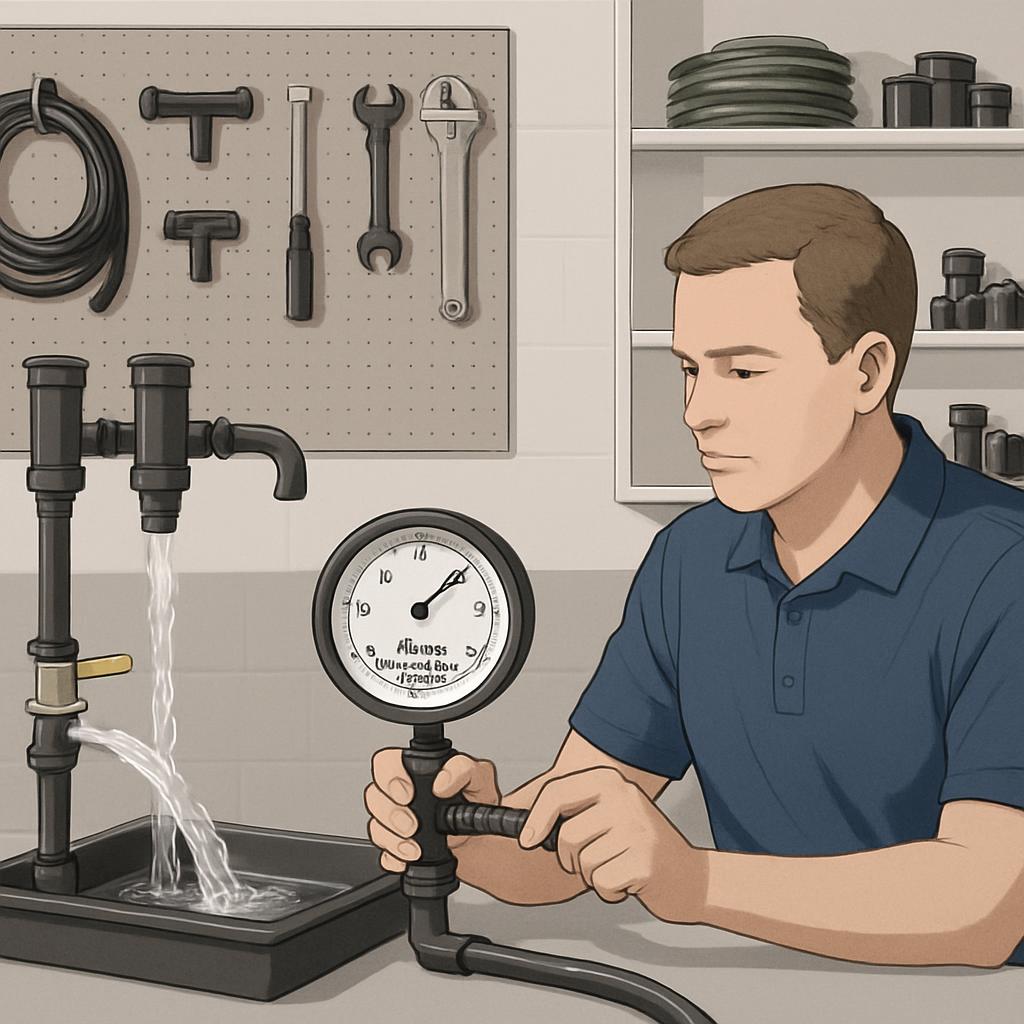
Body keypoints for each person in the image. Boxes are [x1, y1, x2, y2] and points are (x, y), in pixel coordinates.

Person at [365, 183, 1024, 968]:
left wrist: (695, 881)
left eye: (742, 372)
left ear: (868, 372)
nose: (698, 412)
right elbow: (571, 843)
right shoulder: (692, 559)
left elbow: (986, 905)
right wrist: (470, 832)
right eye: (689, 370)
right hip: (760, 989)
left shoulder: (1003, 567)